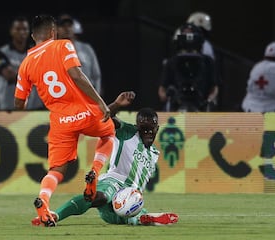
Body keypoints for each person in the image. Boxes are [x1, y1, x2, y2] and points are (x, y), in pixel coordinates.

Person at [14, 14, 115, 227]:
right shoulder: (63, 45)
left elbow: (19, 104)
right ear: (53, 32)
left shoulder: (25, 64)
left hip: (60, 120)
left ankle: (44, 199)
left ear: (33, 36)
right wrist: (101, 102)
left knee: (57, 169)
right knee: (109, 134)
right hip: (84, 111)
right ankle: (94, 173)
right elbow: (77, 75)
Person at [31, 91, 179, 227]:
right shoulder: (127, 132)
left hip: (130, 195)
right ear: (137, 126)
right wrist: (117, 105)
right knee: (100, 197)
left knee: (127, 216)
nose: (147, 131)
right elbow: (103, 117)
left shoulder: (154, 154)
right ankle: (54, 215)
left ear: (157, 129)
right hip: (113, 181)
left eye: (150, 128)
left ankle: (142, 218)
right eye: (143, 128)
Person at [158, 23, 219, 112]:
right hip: (177, 108)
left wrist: (209, 101)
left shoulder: (208, 62)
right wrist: (167, 97)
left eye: (191, 34)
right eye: (185, 34)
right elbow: (162, 90)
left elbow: (214, 88)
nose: (188, 37)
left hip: (201, 107)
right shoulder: (171, 62)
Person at [0, 16, 44, 110]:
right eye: (18, 29)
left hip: (34, 107)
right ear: (11, 31)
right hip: (9, 107)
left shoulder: (36, 51)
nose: (22, 32)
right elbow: (8, 75)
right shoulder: (1, 53)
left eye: (25, 29)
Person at [56, 14, 103, 95]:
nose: (67, 28)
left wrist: (97, 96)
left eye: (69, 25)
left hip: (87, 95)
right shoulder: (52, 50)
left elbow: (96, 75)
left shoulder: (86, 48)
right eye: (62, 26)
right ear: (56, 29)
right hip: (63, 96)